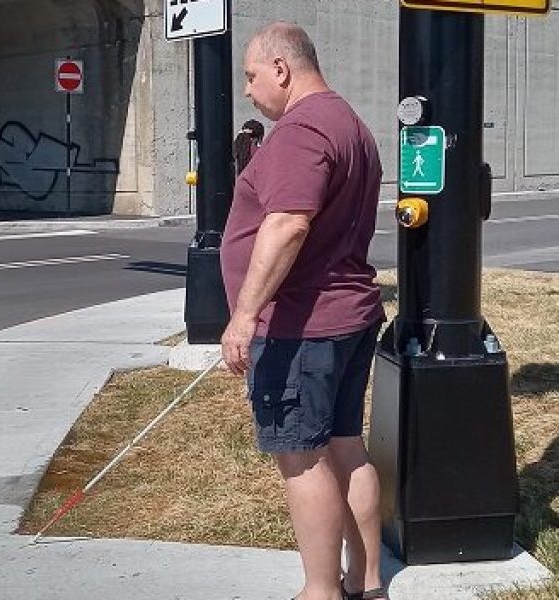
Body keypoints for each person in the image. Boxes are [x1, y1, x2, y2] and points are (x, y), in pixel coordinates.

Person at [219, 22, 388, 600]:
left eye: (251, 76)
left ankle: (321, 592)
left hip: (302, 326)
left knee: (301, 457)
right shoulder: (351, 125)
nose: (247, 90)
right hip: (348, 316)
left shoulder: (301, 129)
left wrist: (244, 316)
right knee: (345, 444)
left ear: (282, 70)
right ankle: (367, 584)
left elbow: (288, 222)